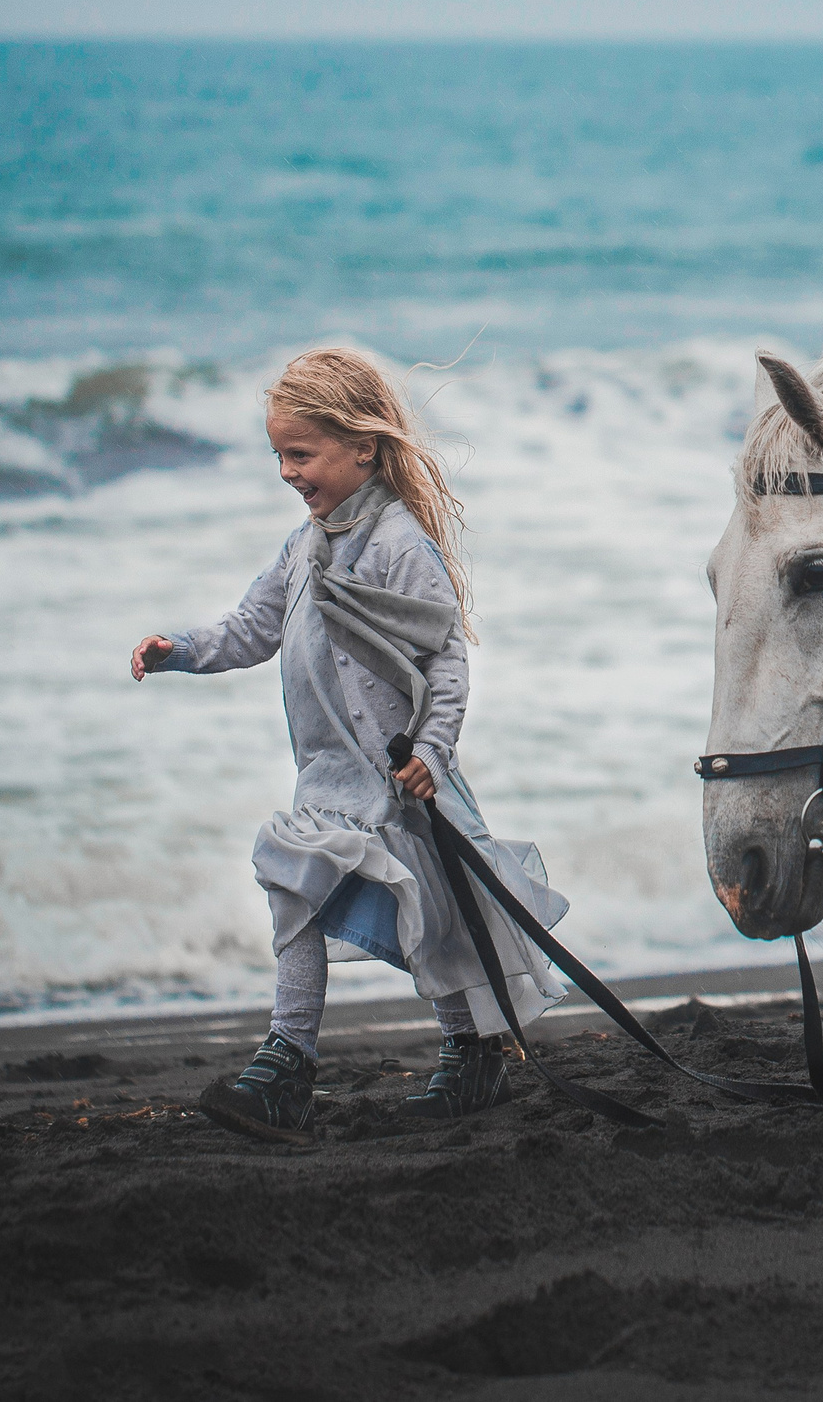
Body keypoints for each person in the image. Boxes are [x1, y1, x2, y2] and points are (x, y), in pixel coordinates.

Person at [131, 347, 567, 1144]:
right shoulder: (304, 545)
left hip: (400, 780)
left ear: (361, 447)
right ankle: (286, 1062)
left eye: (302, 454)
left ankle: (473, 1052)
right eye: (280, 456)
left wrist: (432, 753)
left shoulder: (400, 543)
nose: (289, 473)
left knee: (434, 925)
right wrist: (183, 649)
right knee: (295, 891)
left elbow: (447, 657)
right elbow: (253, 626)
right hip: (329, 780)